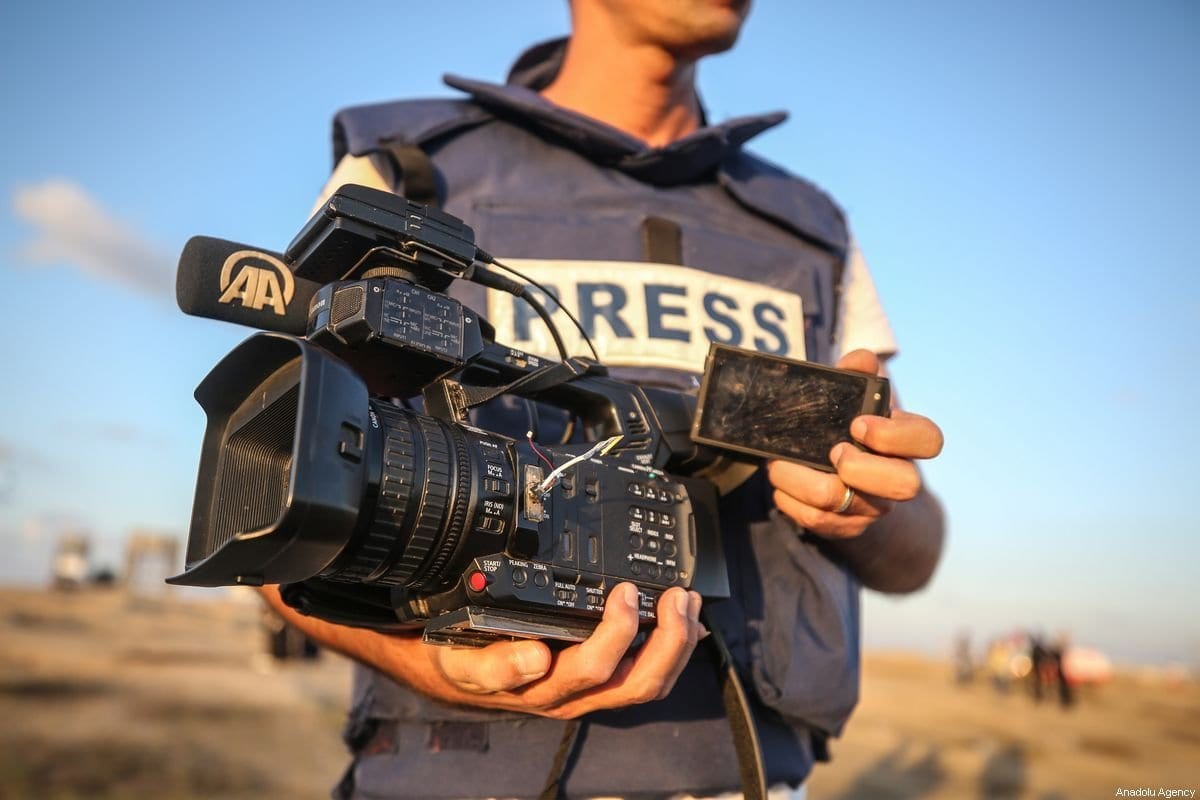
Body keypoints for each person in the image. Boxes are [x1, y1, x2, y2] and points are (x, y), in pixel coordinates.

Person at [261, 1, 946, 797]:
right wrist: (427, 663)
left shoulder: (813, 231)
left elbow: (916, 550)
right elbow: (262, 496)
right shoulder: (406, 171)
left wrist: (870, 503)